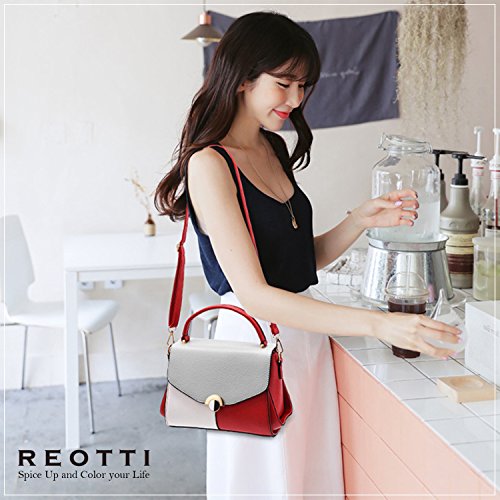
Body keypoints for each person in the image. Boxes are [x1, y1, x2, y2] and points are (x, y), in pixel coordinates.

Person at [155, 11, 462, 498]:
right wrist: (379, 324)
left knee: (310, 480)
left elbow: (298, 262)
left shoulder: (273, 148)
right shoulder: (210, 164)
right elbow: (256, 293)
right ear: (242, 78)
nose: (296, 100)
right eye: (284, 84)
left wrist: (358, 220)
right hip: (252, 345)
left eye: (303, 86)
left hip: (304, 339)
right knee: (266, 484)